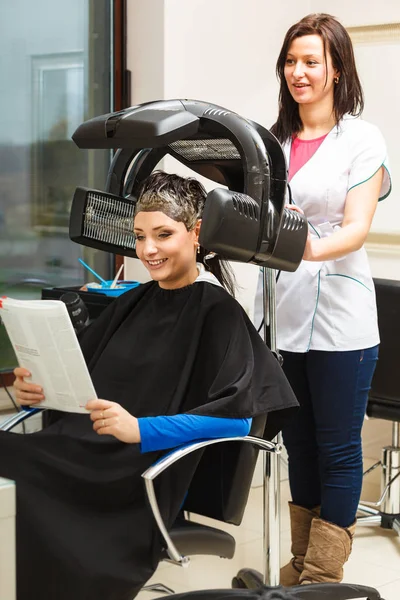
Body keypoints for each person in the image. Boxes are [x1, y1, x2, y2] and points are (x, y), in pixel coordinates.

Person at [0, 171, 298, 600]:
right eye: (140, 236)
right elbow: (79, 379)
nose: (149, 249)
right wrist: (38, 390)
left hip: (130, 477)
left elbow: (238, 423)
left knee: (17, 487)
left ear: (196, 233)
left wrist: (140, 429)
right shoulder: (133, 301)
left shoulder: (217, 311)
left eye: (163, 234)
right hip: (78, 451)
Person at [255, 13, 391, 586]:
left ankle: (322, 579)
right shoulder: (273, 141)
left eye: (311, 61)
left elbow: (355, 228)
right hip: (285, 316)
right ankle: (302, 565)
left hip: (341, 320)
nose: (298, 72)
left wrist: (298, 246)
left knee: (337, 449)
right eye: (291, 60)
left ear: (337, 69)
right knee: (300, 448)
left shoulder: (361, 138)